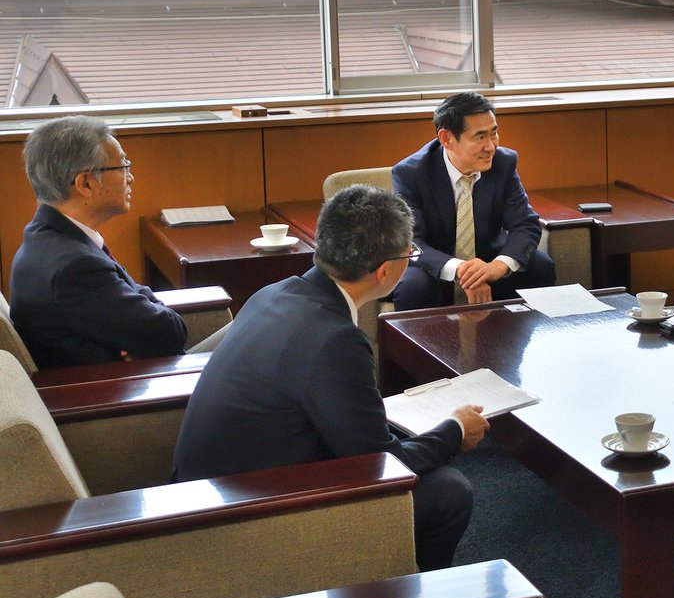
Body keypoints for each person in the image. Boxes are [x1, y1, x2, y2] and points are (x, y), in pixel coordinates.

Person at [173, 185, 488, 571]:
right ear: (385, 270)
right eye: (411, 253)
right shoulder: (336, 340)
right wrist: (455, 430)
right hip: (238, 519)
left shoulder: (274, 293)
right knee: (447, 492)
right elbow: (379, 461)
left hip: (203, 489)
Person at [9, 115, 187, 367]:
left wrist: (142, 302)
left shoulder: (46, 235)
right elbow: (171, 334)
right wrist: (147, 308)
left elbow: (138, 302)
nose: (130, 177)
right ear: (86, 183)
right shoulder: (75, 268)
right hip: (142, 395)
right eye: (123, 165)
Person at [391, 91, 555, 308]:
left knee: (541, 265)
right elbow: (412, 243)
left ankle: (522, 339)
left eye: (493, 133)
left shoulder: (503, 163)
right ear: (446, 139)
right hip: (434, 269)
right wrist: (462, 270)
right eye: (480, 137)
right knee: (414, 286)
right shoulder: (411, 173)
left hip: (488, 261)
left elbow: (525, 223)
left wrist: (497, 266)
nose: (491, 146)